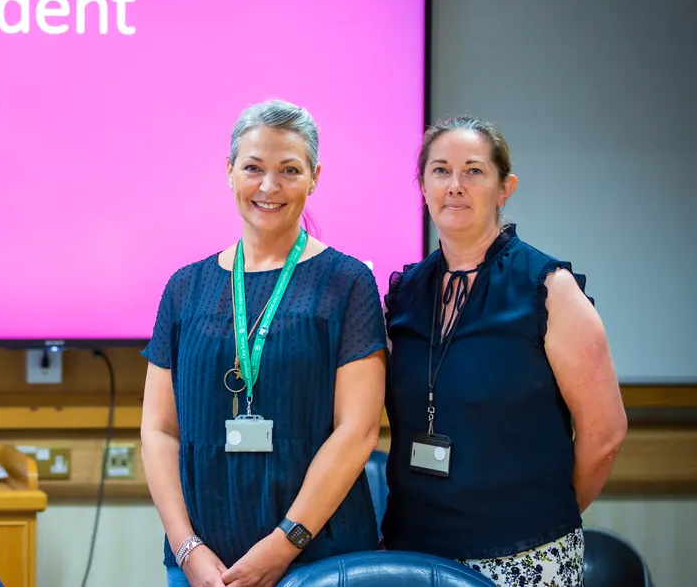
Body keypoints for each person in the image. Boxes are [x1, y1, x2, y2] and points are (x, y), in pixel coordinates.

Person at [140, 99, 387, 587]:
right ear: (230, 171)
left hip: (320, 558)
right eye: (253, 167)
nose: (269, 187)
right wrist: (186, 549)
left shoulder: (348, 282)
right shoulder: (184, 288)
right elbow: (159, 430)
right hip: (200, 565)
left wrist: (283, 545)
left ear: (315, 176)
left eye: (289, 170)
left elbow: (357, 431)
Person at [380, 116, 629, 586]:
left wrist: (544, 516)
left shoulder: (547, 289)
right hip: (412, 552)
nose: (455, 185)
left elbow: (606, 435)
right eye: (441, 171)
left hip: (524, 556)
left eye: (473, 171)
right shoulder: (405, 294)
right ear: (422, 185)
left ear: (504, 187)